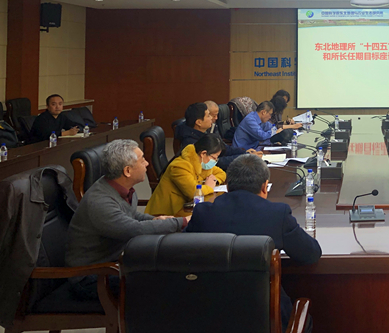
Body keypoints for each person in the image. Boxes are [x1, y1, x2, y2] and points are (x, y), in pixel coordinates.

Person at [188, 154, 321, 331]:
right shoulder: (277, 214)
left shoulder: (202, 213)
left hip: (209, 317)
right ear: (265, 187)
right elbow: (311, 254)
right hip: (266, 321)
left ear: (227, 186)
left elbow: (183, 254)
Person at [65, 139, 187, 300]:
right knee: (165, 280)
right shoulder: (100, 201)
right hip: (91, 277)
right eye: (142, 160)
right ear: (127, 171)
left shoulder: (123, 188)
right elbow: (134, 230)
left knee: (169, 265)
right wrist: (182, 222)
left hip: (114, 262)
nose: (147, 163)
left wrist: (155, 220)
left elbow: (131, 215)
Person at [146, 133, 227, 216]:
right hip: (166, 214)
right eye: (214, 158)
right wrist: (209, 187)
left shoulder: (202, 163)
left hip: (186, 207)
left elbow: (222, 173)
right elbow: (193, 192)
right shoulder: (180, 166)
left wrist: (213, 181)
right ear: (203, 154)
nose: (215, 161)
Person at [233, 101, 300, 152]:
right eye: (270, 114)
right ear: (263, 112)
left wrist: (290, 127)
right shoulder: (250, 120)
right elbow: (262, 136)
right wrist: (275, 132)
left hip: (254, 148)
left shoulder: (262, 120)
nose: (270, 117)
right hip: (243, 151)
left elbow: (273, 127)